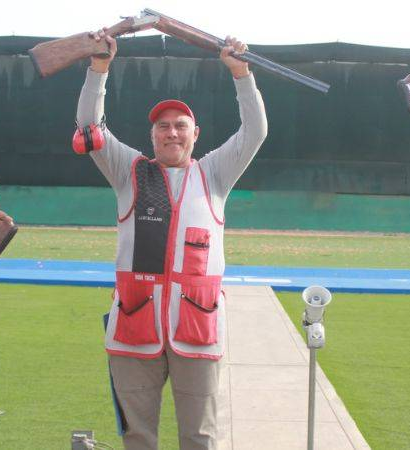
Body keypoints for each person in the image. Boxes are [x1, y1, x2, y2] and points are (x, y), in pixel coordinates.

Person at [76, 31, 267, 450]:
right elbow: (90, 128)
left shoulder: (214, 174)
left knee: (199, 438)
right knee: (138, 438)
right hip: (133, 328)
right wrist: (99, 69)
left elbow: (254, 131)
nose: (172, 133)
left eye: (180, 126)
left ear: (195, 134)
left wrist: (241, 74)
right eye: (163, 126)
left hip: (197, 330)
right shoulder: (128, 170)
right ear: (152, 135)